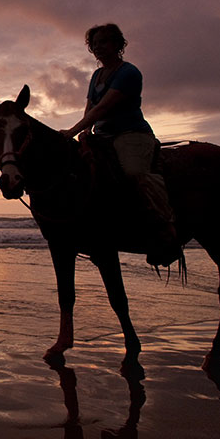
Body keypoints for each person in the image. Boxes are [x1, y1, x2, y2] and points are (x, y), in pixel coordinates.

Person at [60, 23, 178, 266]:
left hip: (130, 134)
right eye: (94, 44)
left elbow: (105, 106)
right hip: (102, 135)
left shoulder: (128, 73)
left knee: (135, 172)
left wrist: (73, 130)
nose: (98, 48)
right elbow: (91, 107)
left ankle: (166, 229)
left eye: (103, 42)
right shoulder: (96, 76)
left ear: (117, 44)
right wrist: (86, 131)